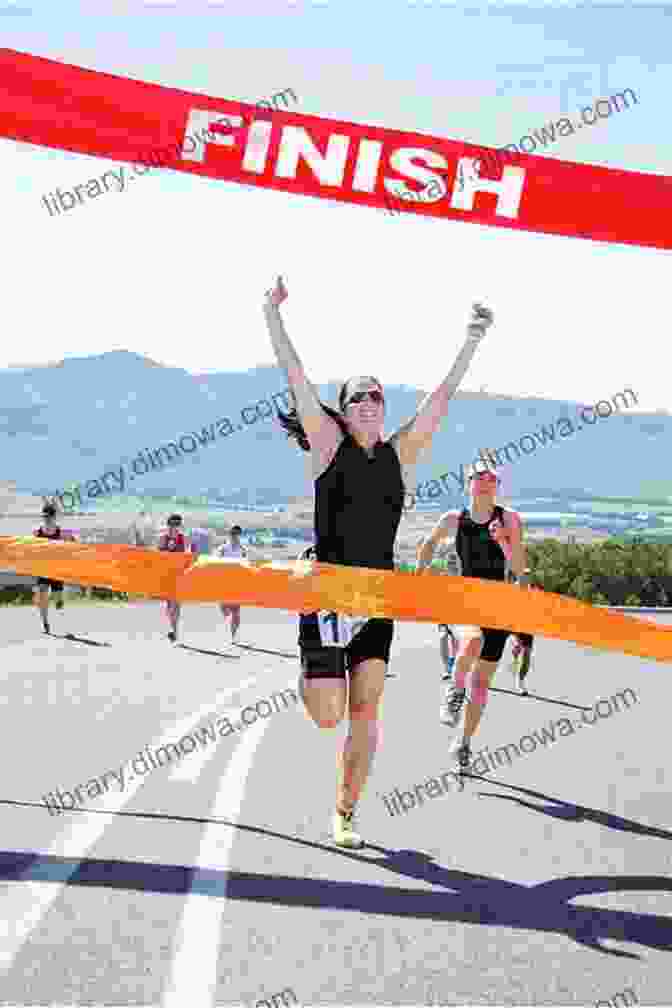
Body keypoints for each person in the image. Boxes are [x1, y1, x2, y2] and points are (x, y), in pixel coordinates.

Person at [264, 273, 494, 847]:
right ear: (342, 412)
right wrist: (272, 314)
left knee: (365, 710)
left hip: (377, 599)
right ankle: (315, 670)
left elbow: (439, 401)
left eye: (377, 396)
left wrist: (471, 340)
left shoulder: (400, 455)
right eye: (359, 397)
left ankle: (345, 813)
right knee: (326, 714)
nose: (370, 403)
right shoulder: (328, 449)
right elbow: (295, 377)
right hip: (324, 594)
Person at [416, 461, 529, 773]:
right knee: (472, 641)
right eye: (477, 476)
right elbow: (428, 544)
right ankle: (453, 693)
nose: (483, 481)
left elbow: (520, 568)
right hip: (464, 601)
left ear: (497, 484)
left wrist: (504, 542)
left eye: (490, 477)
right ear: (467, 483)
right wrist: (417, 577)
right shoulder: (454, 519)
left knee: (480, 685)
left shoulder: (509, 519)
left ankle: (463, 742)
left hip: (500, 607)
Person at [33, 501, 77, 635]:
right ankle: (45, 624)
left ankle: (62, 622)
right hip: (42, 569)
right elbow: (29, 548)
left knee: (57, 600)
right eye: (44, 516)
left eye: (49, 516)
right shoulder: (37, 532)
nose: (46, 519)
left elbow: (75, 543)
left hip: (57, 570)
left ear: (54, 517)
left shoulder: (61, 532)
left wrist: (71, 547)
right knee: (42, 595)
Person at [158, 514, 189, 642]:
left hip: (179, 575)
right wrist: (166, 550)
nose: (174, 527)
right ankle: (172, 628)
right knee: (170, 603)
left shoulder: (183, 538)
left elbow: (188, 555)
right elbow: (157, 556)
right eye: (172, 524)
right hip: (167, 575)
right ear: (168, 525)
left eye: (177, 524)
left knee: (177, 604)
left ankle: (174, 631)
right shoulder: (162, 538)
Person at [216, 525, 247, 642]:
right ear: (229, 534)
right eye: (233, 533)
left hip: (237, 582)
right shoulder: (223, 548)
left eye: (237, 534)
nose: (235, 536)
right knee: (223, 607)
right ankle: (230, 625)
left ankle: (234, 635)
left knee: (236, 610)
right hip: (224, 582)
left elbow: (246, 564)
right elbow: (216, 562)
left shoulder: (242, 549)